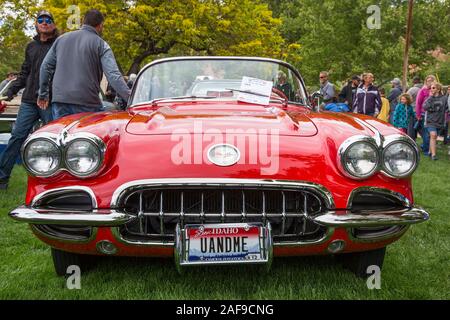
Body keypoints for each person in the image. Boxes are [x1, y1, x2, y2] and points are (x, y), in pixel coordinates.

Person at [0, 10, 58, 190]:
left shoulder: (58, 45)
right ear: (36, 24)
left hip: (49, 101)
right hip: (28, 101)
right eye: (41, 20)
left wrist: (49, 94)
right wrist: (11, 91)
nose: (44, 22)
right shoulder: (30, 47)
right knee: (17, 137)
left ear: (53, 25)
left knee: (54, 140)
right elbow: (25, 72)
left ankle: (56, 182)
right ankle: (2, 179)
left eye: (48, 20)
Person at [38, 9, 130, 119]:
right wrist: (131, 99)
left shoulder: (61, 39)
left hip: (60, 102)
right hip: (87, 102)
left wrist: (43, 94)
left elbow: (45, 67)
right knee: (91, 132)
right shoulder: (101, 44)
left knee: (63, 134)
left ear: (83, 22)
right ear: (100, 25)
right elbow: (113, 75)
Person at [423, 83, 448, 161]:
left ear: (438, 89)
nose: (431, 89)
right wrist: (431, 97)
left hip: (440, 121)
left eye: (433, 88)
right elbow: (425, 107)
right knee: (433, 135)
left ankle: (430, 152)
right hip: (430, 121)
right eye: (431, 88)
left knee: (434, 137)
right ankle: (434, 155)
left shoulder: (444, 98)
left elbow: (447, 108)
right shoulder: (429, 98)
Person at [416, 75, 436, 155]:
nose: (430, 82)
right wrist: (418, 114)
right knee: (426, 133)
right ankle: (426, 150)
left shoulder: (436, 90)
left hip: (434, 114)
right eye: (428, 81)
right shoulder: (423, 90)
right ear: (426, 81)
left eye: (431, 80)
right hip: (424, 114)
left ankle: (426, 147)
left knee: (433, 133)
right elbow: (418, 103)